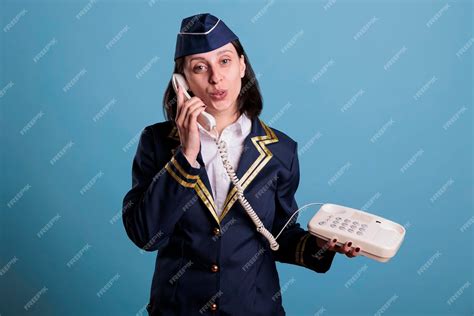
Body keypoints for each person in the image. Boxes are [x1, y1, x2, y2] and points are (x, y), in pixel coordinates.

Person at [122, 13, 360, 316]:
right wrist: (186, 153)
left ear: (242, 66)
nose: (215, 78)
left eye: (224, 61)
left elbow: (280, 237)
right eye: (199, 67)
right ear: (181, 81)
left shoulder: (280, 150)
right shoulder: (156, 143)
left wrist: (324, 245)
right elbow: (146, 235)